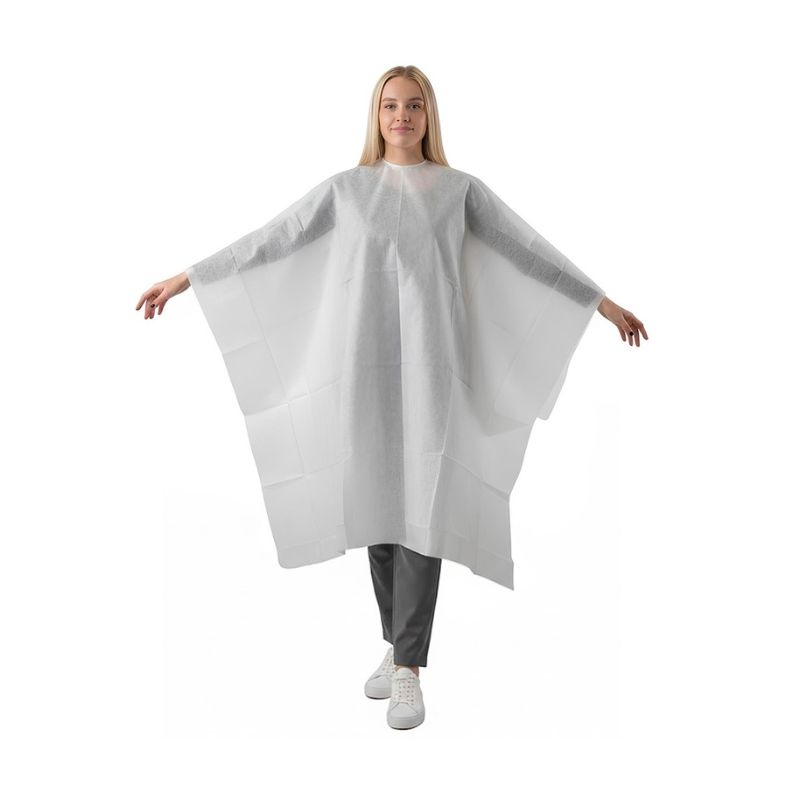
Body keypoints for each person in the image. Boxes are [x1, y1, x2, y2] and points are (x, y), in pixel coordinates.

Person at [136, 65, 648, 730]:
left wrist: (601, 302)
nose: (401, 116)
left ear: (429, 115)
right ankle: (396, 642)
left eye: (412, 105)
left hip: (435, 365)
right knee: (377, 509)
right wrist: (186, 279)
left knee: (424, 505)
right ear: (375, 117)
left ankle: (408, 667)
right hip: (363, 364)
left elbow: (527, 249)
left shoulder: (459, 191)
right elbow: (271, 238)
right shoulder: (347, 190)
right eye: (389, 106)